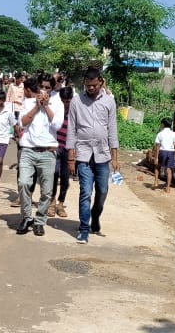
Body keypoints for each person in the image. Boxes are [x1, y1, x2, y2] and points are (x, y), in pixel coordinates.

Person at [66, 67, 119, 244]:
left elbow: (112, 129)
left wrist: (115, 157)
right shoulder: (76, 102)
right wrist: (71, 157)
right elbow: (71, 130)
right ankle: (83, 229)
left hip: (103, 155)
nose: (90, 88)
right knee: (85, 193)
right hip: (83, 155)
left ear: (101, 82)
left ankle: (95, 216)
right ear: (84, 83)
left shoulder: (109, 102)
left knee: (102, 191)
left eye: (94, 85)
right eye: (88, 85)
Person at [15, 78, 63, 237]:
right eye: (41, 86)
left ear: (51, 89)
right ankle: (27, 217)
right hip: (28, 150)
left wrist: (46, 105)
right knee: (23, 183)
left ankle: (40, 221)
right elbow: (23, 123)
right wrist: (37, 106)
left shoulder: (57, 104)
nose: (43, 90)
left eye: (47, 87)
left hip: (48, 152)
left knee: (46, 191)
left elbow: (57, 125)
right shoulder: (28, 102)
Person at [47, 86, 75, 218]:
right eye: (63, 101)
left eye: (68, 101)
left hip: (68, 148)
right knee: (54, 174)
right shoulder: (56, 110)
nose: (65, 103)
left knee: (65, 177)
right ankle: (52, 201)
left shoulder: (76, 113)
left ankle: (61, 203)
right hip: (56, 146)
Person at [153, 117, 175, 192]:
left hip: (162, 151)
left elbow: (157, 146)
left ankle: (156, 181)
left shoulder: (160, 134)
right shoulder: (173, 134)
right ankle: (168, 187)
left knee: (157, 166)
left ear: (163, 124)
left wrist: (156, 157)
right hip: (171, 152)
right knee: (169, 170)